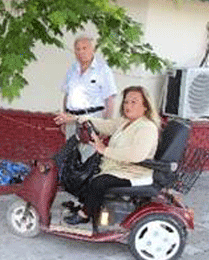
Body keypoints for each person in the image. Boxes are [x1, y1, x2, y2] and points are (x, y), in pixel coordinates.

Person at [54, 86, 160, 228]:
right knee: (83, 171)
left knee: (98, 183)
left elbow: (136, 154)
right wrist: (76, 118)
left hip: (133, 173)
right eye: (126, 102)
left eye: (133, 102)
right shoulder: (125, 122)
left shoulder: (147, 127)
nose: (128, 105)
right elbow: (104, 125)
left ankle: (85, 215)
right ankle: (86, 204)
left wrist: (105, 150)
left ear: (145, 106)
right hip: (118, 167)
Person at [61, 35, 118, 161]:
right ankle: (69, 180)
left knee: (88, 156)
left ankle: (87, 181)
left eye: (84, 48)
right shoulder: (72, 69)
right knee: (70, 156)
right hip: (71, 119)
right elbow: (67, 94)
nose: (81, 52)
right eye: (78, 49)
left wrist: (106, 124)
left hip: (92, 119)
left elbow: (110, 99)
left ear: (93, 49)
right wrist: (65, 117)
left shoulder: (103, 70)